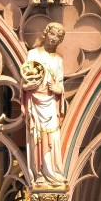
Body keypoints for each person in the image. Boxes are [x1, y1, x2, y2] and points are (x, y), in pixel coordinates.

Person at [21, 22, 69, 186]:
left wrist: (58, 88)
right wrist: (30, 86)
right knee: (37, 136)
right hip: (36, 101)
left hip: (50, 103)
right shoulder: (33, 54)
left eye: (58, 37)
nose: (54, 38)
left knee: (54, 138)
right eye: (53, 34)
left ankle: (54, 172)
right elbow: (25, 80)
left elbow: (60, 83)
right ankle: (40, 172)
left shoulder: (58, 60)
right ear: (46, 33)